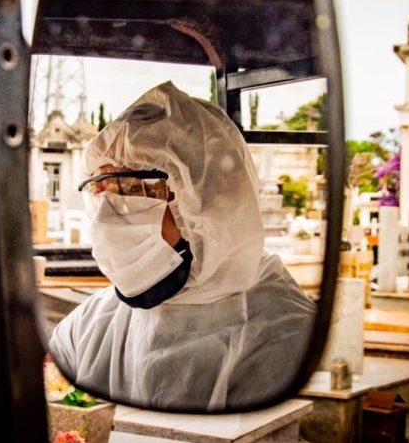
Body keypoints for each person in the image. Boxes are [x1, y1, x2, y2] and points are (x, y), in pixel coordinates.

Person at [48, 81, 316, 410]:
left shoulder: (290, 337)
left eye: (133, 190)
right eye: (99, 190)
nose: (106, 218)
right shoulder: (90, 325)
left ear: (212, 200)